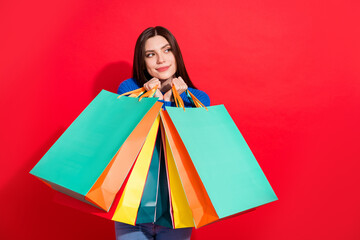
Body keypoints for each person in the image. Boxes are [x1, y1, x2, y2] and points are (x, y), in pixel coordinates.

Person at [115, 26, 210, 240]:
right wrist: (153, 100)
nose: (161, 59)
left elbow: (188, 148)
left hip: (178, 209)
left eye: (167, 50)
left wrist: (171, 102)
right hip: (133, 208)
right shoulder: (129, 90)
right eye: (151, 54)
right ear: (143, 62)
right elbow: (130, 140)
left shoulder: (198, 100)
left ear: (176, 55)